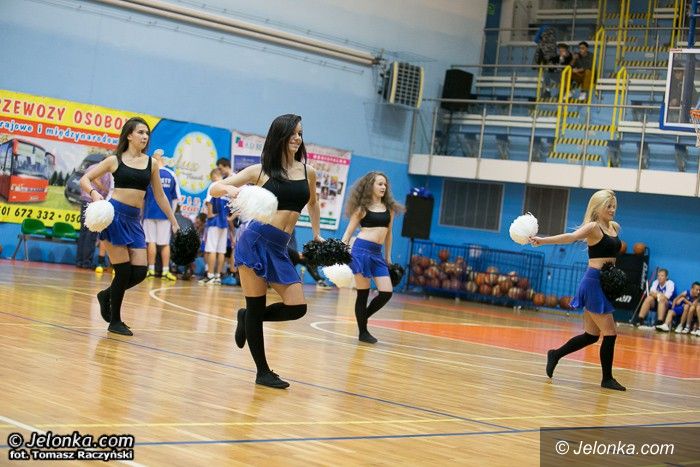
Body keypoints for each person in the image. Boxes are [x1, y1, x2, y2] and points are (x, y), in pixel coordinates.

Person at [210, 114, 322, 389]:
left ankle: (247, 318)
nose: (297, 138)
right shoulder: (260, 171)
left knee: (297, 307)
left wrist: (317, 234)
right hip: (255, 241)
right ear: (279, 136)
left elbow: (313, 203)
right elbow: (214, 188)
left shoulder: (307, 171)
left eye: (300, 133)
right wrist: (230, 190)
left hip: (280, 246)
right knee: (256, 304)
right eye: (292, 133)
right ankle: (263, 372)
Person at [80, 117, 179, 336]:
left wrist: (173, 221)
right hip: (114, 217)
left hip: (135, 220)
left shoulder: (152, 164)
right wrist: (95, 194)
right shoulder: (114, 160)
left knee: (141, 271)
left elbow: (160, 196)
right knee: (123, 271)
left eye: (147, 133)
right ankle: (115, 321)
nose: (145, 137)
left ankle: (106, 295)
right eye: (141, 132)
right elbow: (85, 179)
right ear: (129, 135)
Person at [530, 189, 626, 391]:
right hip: (593, 283)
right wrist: (543, 240)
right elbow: (570, 237)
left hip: (605, 282)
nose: (612, 210)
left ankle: (555, 354)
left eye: (614, 206)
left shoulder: (614, 227)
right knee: (610, 333)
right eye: (608, 206)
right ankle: (607, 379)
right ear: (598, 208)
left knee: (591, 336)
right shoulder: (593, 227)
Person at [341, 172, 403, 344]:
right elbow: (348, 233)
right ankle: (363, 332)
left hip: (377, 254)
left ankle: (363, 317)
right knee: (363, 294)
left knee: (386, 292)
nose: (383, 187)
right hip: (360, 252)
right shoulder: (361, 209)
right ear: (371, 186)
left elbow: (389, 234)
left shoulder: (389, 209)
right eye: (380, 184)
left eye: (385, 184)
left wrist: (388, 257)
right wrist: (340, 252)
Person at [144, 149, 181, 281]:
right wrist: (171, 215)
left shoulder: (148, 174)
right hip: (165, 215)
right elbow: (176, 198)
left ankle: (151, 270)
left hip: (149, 213)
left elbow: (143, 197)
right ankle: (165, 271)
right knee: (165, 243)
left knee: (151, 242)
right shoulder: (171, 175)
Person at [76, 155, 112, 269]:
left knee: (83, 231)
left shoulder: (91, 167)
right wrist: (105, 189)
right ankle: (87, 261)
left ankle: (80, 260)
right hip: (93, 201)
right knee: (91, 232)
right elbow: (95, 179)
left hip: (84, 200)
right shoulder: (102, 170)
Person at [199, 169, 228, 285]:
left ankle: (210, 275)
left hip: (214, 222)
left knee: (211, 249)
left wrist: (210, 214)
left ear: (215, 175)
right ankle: (218, 277)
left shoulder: (214, 185)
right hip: (224, 223)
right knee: (221, 251)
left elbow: (209, 201)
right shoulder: (227, 186)